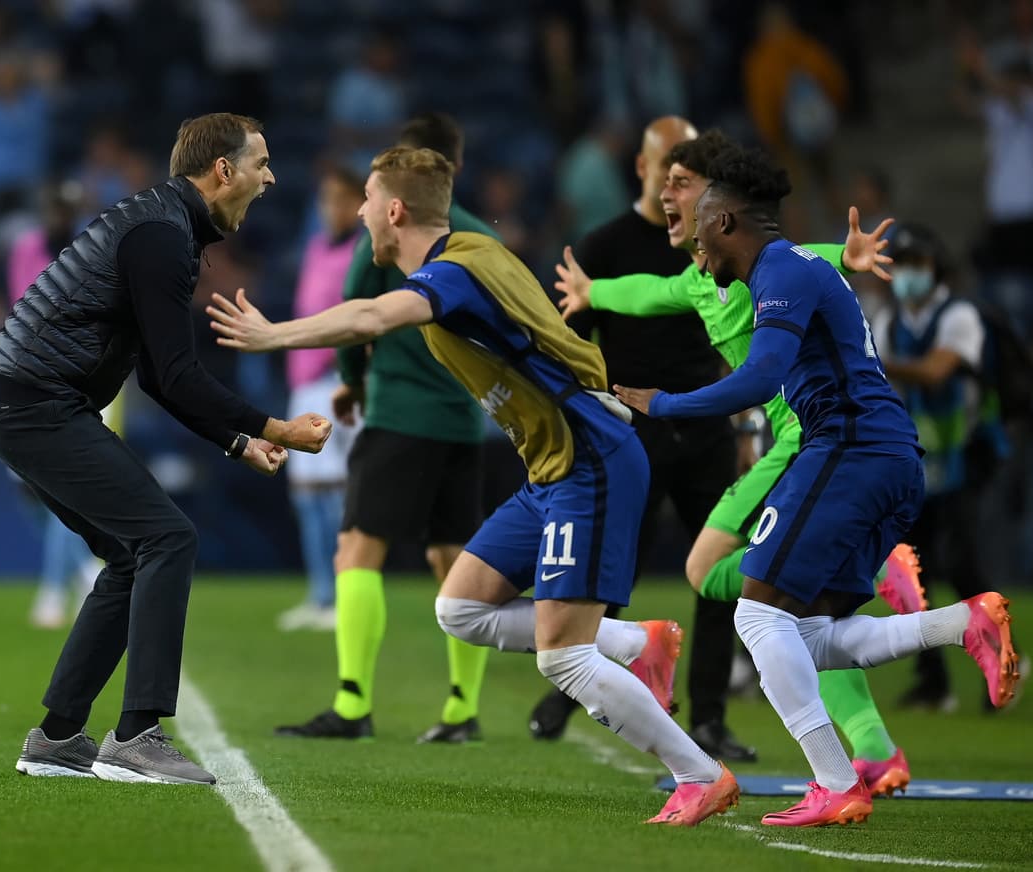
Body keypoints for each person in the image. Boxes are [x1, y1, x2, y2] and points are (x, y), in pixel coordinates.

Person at [209, 145, 741, 827]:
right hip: (554, 464)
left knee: (563, 659)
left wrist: (271, 335)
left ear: (394, 210)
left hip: (591, 458)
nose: (362, 211)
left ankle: (700, 773)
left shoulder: (454, 273)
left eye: (370, 198)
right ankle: (639, 644)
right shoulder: (471, 252)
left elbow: (371, 317)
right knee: (458, 609)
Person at [612, 143, 1019, 827]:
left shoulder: (780, 270)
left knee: (753, 612)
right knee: (803, 630)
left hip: (848, 451)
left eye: (703, 220)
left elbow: (764, 375)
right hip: (881, 456)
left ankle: (835, 782)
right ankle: (963, 622)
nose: (697, 247)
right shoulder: (789, 267)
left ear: (727, 221)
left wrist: (668, 404)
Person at [557, 128, 925, 797]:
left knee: (769, 600)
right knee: (748, 588)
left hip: (807, 444)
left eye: (680, 187)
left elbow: (810, 262)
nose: (668, 198)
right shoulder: (701, 282)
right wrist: (593, 294)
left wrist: (847, 251)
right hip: (789, 441)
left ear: (717, 205)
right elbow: (643, 292)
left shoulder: (774, 266)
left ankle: (863, 743)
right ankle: (872, 745)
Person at [0, 113, 332, 785]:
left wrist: (236, 438)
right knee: (168, 539)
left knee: (128, 554)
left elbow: (155, 377)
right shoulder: (162, 237)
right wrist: (273, 428)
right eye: (261, 162)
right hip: (37, 404)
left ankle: (55, 738)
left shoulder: (163, 227)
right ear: (223, 171)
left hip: (23, 401)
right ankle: (137, 734)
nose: (271, 176)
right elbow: (174, 375)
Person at [532, 116, 752, 765]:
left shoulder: (706, 244)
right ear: (642, 168)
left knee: (717, 574)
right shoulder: (603, 246)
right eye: (669, 173)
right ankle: (570, 691)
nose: (674, 190)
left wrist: (743, 423)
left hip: (707, 423)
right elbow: (569, 340)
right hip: (632, 429)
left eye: (689, 179)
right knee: (612, 569)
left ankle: (709, 716)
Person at [273, 114, 495, 743]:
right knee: (452, 557)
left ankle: (352, 703)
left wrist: (353, 380)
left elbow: (356, 310)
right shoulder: (480, 238)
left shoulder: (390, 229)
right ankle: (461, 707)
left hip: (400, 410)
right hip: (463, 417)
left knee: (357, 550)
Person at [871, 222, 1018, 712]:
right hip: (919, 459)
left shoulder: (959, 317)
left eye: (918, 265)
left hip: (967, 453)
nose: (910, 275)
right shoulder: (892, 323)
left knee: (960, 560)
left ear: (936, 270)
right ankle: (933, 680)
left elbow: (937, 371)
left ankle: (1001, 657)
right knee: (914, 570)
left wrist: (877, 363)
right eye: (903, 266)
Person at [7, 181, 103, 629]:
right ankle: (85, 569)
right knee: (29, 487)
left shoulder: (91, 246)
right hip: (29, 372)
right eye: (54, 206)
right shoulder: (27, 246)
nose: (59, 214)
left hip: (79, 376)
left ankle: (51, 591)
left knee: (63, 487)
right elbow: (21, 303)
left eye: (65, 207)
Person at [279, 163, 365, 632]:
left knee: (334, 493)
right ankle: (318, 594)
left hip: (335, 380)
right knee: (306, 495)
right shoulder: (315, 248)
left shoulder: (361, 252)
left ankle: (340, 598)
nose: (331, 208)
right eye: (326, 199)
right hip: (303, 379)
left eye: (340, 199)